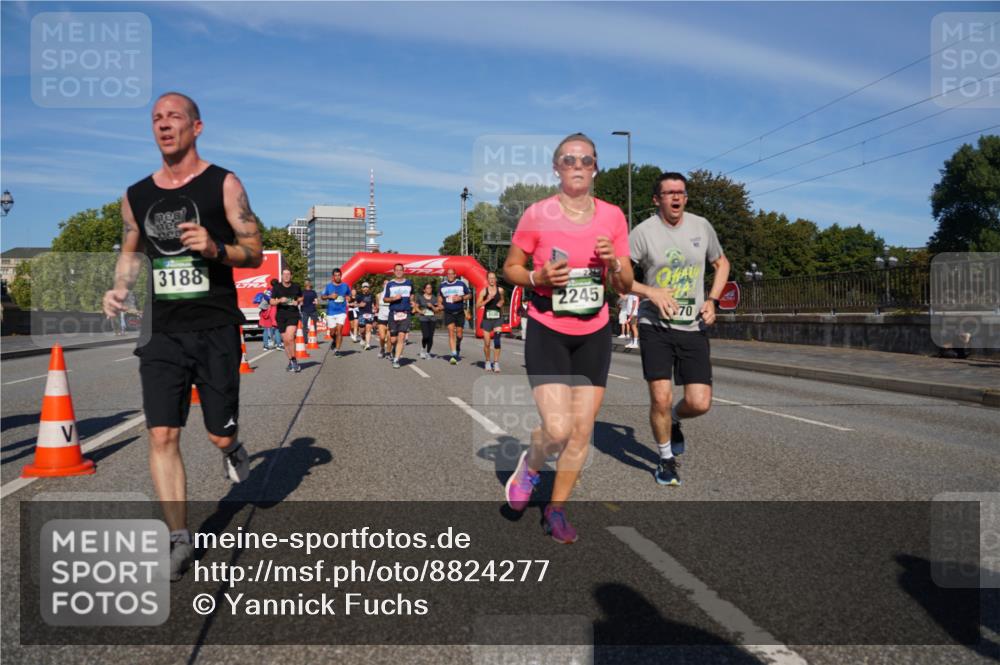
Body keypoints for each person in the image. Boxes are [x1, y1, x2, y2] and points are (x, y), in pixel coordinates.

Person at [102, 91, 262, 580]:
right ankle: (178, 538)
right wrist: (118, 287)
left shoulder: (224, 184)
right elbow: (132, 248)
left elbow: (253, 251)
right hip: (162, 331)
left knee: (217, 431)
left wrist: (216, 248)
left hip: (214, 325)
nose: (164, 124)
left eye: (174, 117)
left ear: (197, 127)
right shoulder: (136, 195)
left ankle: (232, 448)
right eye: (156, 118)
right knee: (162, 432)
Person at [501, 132, 633, 544]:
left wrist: (613, 263)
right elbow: (511, 268)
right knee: (557, 430)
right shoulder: (538, 214)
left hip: (594, 331)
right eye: (569, 159)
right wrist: (537, 276)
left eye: (586, 160)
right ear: (556, 167)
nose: (577, 166)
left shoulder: (612, 216)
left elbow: (626, 283)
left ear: (596, 168)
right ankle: (530, 468)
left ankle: (555, 510)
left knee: (580, 432)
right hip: (548, 327)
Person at [629, 172, 730, 486]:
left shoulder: (701, 226)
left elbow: (721, 263)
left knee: (699, 403)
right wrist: (651, 292)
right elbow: (616, 279)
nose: (676, 197)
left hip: (693, 326)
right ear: (656, 199)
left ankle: (673, 420)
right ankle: (665, 460)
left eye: (681, 192)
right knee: (660, 397)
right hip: (655, 325)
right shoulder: (643, 233)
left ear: (685, 198)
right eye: (669, 193)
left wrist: (713, 300)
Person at [382, 262, 414, 368]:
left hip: (405, 313)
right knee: (393, 340)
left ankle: (396, 359)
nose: (399, 271)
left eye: (401, 270)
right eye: (397, 270)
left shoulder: (409, 283)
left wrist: (412, 301)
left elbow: (412, 294)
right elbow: (385, 299)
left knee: (401, 336)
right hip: (393, 313)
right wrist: (393, 298)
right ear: (394, 272)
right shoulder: (390, 284)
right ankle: (394, 349)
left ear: (403, 271)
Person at [271, 268, 303, 372]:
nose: (286, 276)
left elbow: (301, 297)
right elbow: (271, 302)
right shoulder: (277, 287)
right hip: (281, 315)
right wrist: (280, 300)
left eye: (288, 274)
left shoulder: (296, 286)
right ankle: (290, 360)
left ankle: (294, 361)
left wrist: (297, 301)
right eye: (284, 274)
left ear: (291, 276)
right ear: (281, 276)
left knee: (290, 337)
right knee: (285, 340)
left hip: (293, 314)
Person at [439, 267, 471, 364]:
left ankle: (458, 346)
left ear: (455, 274)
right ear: (446, 275)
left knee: (459, 334)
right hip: (448, 312)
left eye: (452, 273)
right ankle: (453, 354)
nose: (450, 275)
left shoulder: (461, 284)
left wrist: (461, 298)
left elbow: (469, 295)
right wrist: (440, 303)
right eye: (448, 274)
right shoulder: (442, 285)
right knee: (451, 332)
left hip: (459, 312)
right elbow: (440, 296)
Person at [476, 271, 505, 372]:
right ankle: (488, 361)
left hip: (498, 318)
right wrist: (487, 300)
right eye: (490, 278)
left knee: (497, 340)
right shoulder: (484, 291)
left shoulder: (500, 290)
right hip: (487, 319)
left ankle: (496, 363)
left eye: (493, 278)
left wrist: (501, 302)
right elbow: (477, 305)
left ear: (495, 279)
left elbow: (502, 299)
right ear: (487, 280)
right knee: (487, 343)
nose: (492, 280)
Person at [320, 268, 351, 357]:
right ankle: (334, 340)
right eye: (335, 275)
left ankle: (337, 350)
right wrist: (330, 296)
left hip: (341, 311)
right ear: (333, 277)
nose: (337, 277)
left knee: (339, 331)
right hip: (331, 312)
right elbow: (322, 297)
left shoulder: (345, 286)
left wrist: (349, 298)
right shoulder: (329, 286)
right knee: (332, 333)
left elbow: (349, 295)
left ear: (341, 276)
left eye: (339, 275)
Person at [416, 281, 443, 359]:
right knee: (425, 336)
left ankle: (428, 353)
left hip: (432, 319)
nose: (429, 289)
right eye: (427, 288)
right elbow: (416, 307)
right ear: (424, 290)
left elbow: (437, 310)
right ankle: (423, 349)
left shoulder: (435, 298)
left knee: (431, 337)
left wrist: (432, 306)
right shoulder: (420, 298)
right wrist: (421, 311)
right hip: (423, 318)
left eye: (430, 288)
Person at [354, 282, 376, 350]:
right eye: (364, 287)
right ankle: (363, 338)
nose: (365, 288)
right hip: (361, 314)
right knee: (362, 331)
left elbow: (373, 304)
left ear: (368, 288)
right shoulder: (359, 296)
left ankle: (368, 344)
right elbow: (355, 304)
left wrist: (374, 309)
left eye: (367, 287)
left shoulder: (371, 295)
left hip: (369, 313)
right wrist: (359, 305)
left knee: (368, 329)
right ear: (362, 288)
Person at [375, 289, 391, 358]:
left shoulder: (392, 295)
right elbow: (377, 307)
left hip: (391, 318)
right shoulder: (378, 295)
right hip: (381, 318)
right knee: (382, 337)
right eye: (385, 284)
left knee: (389, 337)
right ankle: (382, 349)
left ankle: (388, 352)